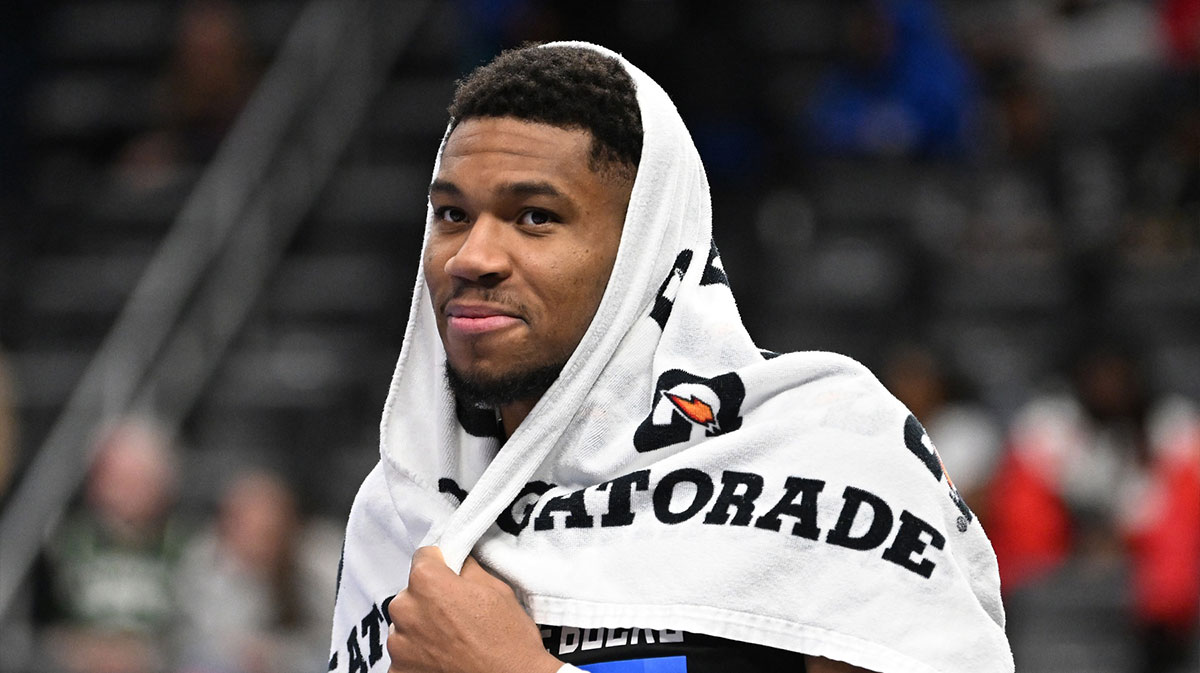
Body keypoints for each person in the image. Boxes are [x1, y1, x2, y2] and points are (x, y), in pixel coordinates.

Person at [329, 42, 1012, 673]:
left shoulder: (831, 461)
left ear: (643, 252)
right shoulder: (401, 505)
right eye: (451, 214)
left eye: (534, 216)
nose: (472, 256)